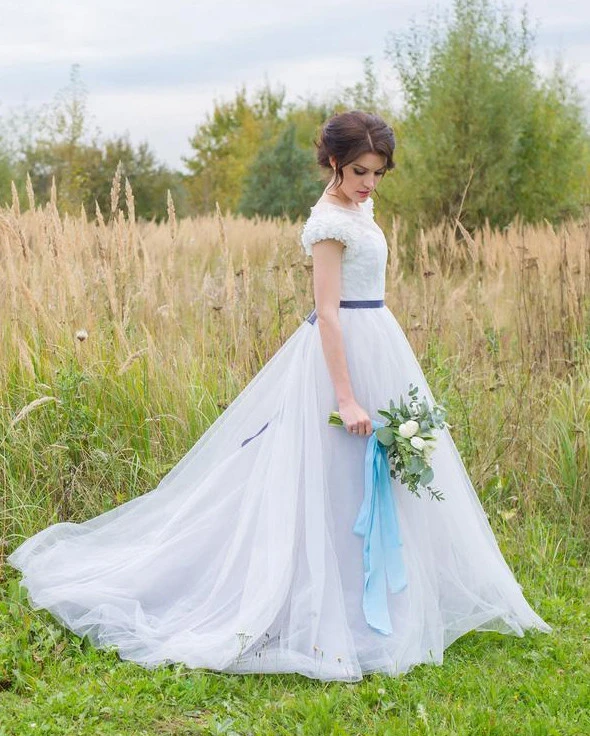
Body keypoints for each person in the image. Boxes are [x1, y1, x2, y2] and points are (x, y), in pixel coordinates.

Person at [7, 110, 552, 683]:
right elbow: (328, 313)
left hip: (380, 342)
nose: (370, 182)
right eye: (361, 171)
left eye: (379, 172)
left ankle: (383, 600)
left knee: (377, 477)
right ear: (336, 163)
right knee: (332, 477)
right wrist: (345, 397)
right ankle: (331, 606)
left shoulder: (359, 206)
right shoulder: (328, 224)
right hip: (340, 355)